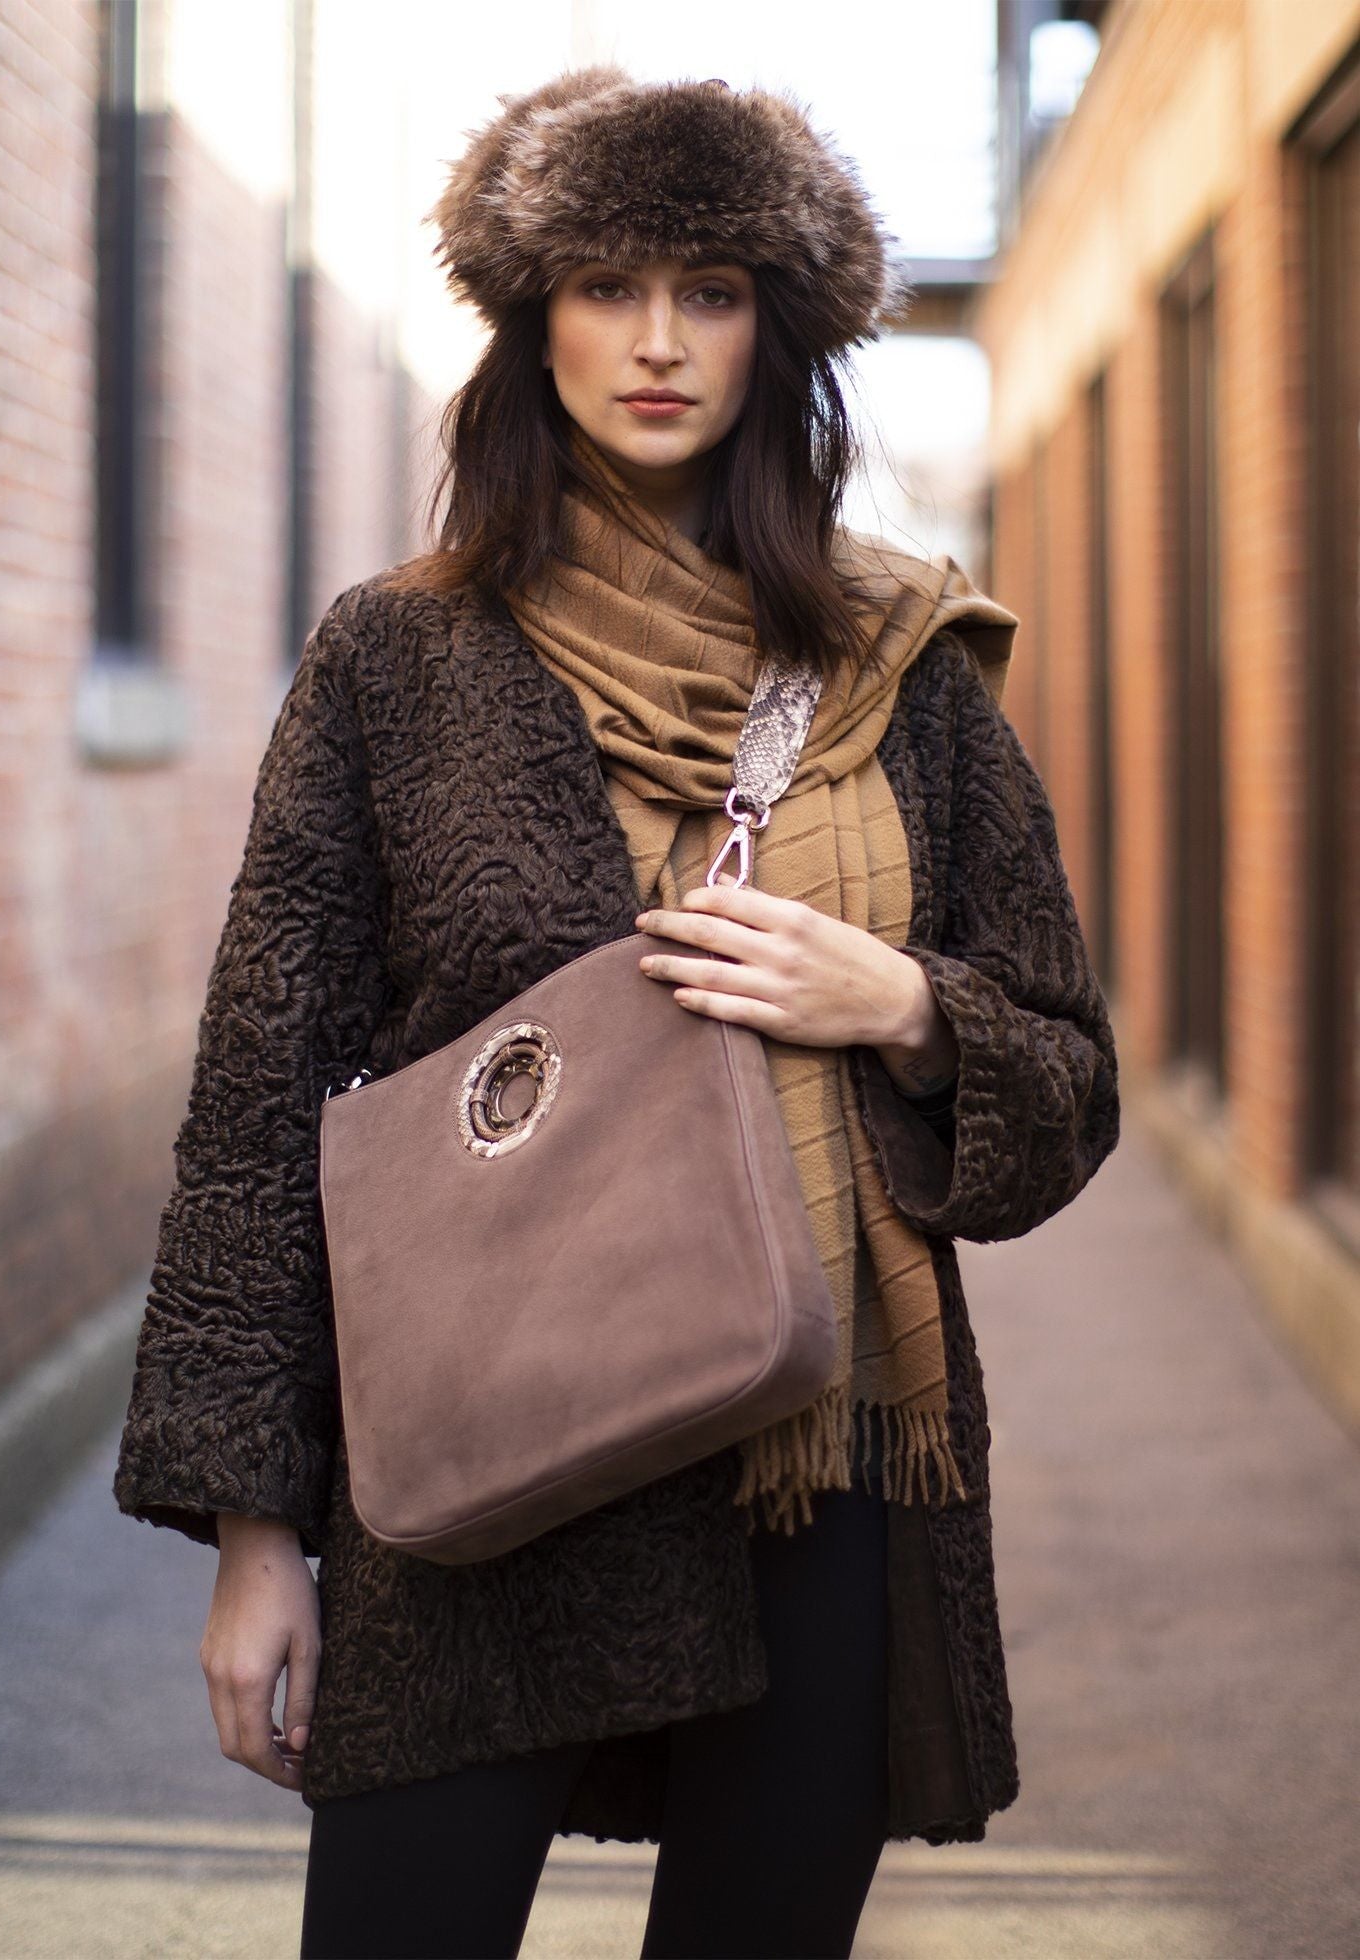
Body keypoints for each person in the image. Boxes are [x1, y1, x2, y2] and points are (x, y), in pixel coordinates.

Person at [112, 67, 1121, 1960]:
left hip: (820, 1447)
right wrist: (259, 1537)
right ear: (531, 318)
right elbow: (261, 1100)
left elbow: (1068, 1082)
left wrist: (904, 1006)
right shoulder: (395, 657)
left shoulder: (905, 663)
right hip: (489, 1469)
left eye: (715, 290)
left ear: (780, 331)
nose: (658, 341)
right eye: (605, 284)